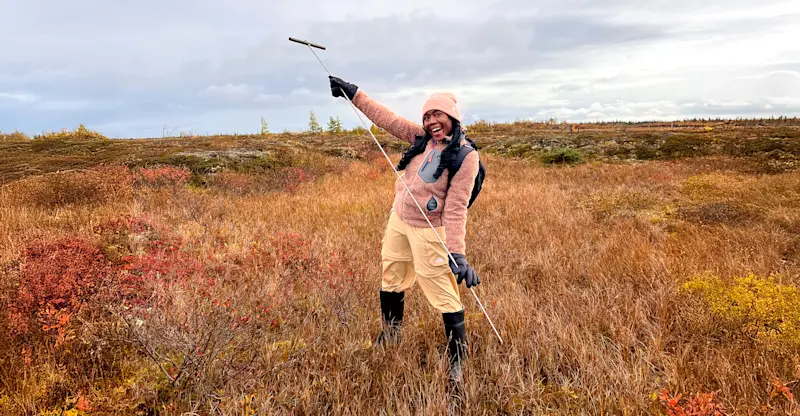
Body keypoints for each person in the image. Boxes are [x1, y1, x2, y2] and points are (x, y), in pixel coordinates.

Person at [328, 76, 481, 383]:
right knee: (392, 274)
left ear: (452, 117)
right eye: (427, 116)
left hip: (429, 229)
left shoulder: (466, 157)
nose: (431, 121)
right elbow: (387, 118)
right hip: (399, 220)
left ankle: (457, 359)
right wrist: (354, 94)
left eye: (438, 114)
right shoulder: (419, 138)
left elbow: (455, 209)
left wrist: (457, 254)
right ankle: (392, 334)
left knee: (439, 287)